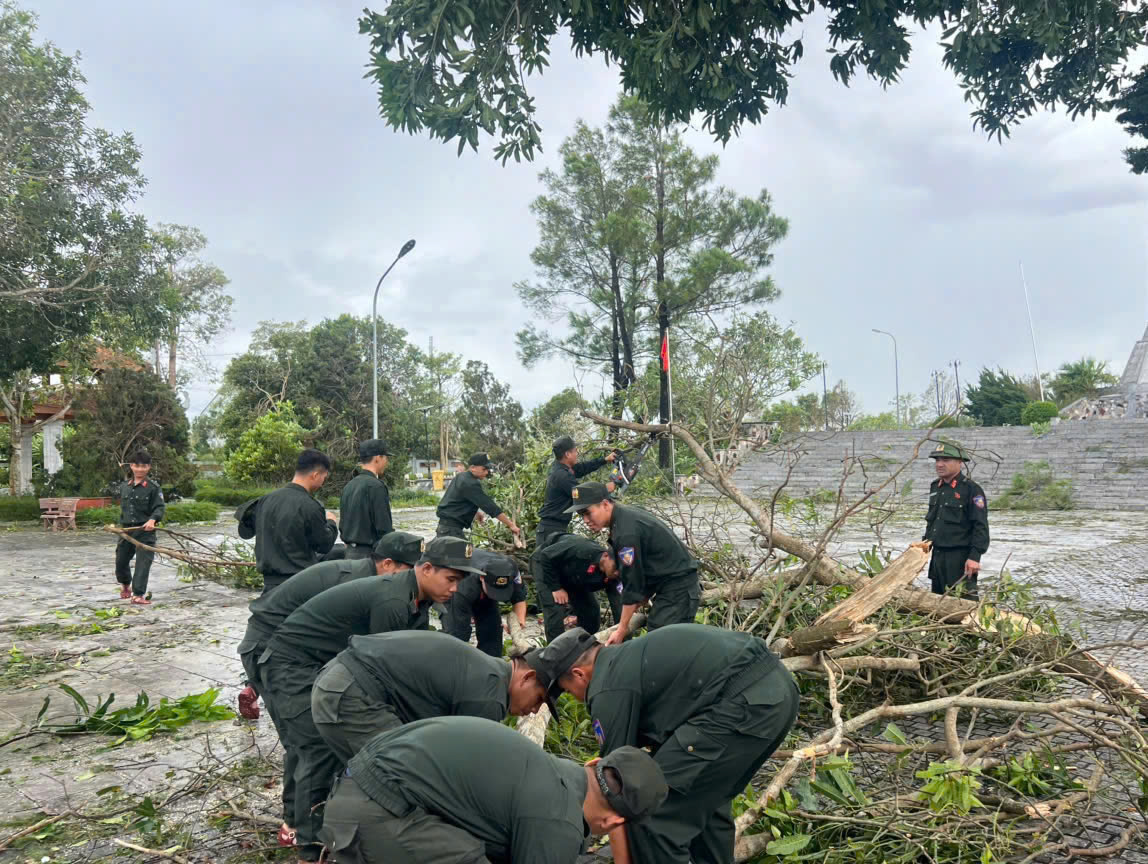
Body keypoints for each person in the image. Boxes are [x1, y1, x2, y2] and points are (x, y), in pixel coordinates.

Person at [257, 536, 482, 863]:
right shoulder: (392, 600)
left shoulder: (416, 599)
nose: (455, 589)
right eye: (451, 579)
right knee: (317, 749)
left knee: (337, 746)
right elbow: (383, 674)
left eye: (460, 582)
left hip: (326, 663)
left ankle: (316, 826)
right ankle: (308, 849)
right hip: (291, 665)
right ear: (427, 568)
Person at [537, 625, 799, 864]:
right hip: (778, 694)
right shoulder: (627, 659)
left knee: (655, 814)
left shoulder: (606, 689)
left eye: (569, 691)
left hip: (741, 706)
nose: (577, 698)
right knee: (707, 803)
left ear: (578, 674)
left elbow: (618, 793)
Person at [236, 531, 422, 843]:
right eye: (410, 571)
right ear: (388, 564)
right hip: (272, 648)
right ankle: (302, 832)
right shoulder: (354, 583)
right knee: (310, 741)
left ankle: (296, 821)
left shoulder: (372, 583)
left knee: (305, 739)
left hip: (298, 654)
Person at [319, 715, 668, 864]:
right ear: (612, 824)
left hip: (350, 789)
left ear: (592, 763)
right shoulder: (557, 822)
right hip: (372, 815)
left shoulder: (551, 771)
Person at [312, 630, 549, 763]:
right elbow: (466, 767)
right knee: (402, 774)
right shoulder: (489, 698)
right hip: (352, 694)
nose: (535, 710)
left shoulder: (489, 672)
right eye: (538, 699)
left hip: (338, 679)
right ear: (527, 677)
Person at [566, 481, 700, 645]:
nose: (586, 520)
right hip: (669, 588)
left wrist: (622, 628)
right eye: (581, 515)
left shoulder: (625, 532)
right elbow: (646, 567)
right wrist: (641, 599)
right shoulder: (624, 517)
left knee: (660, 644)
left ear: (605, 504)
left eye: (588, 513)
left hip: (678, 590)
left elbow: (633, 583)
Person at [250, 449, 340, 594]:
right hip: (298, 583)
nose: (322, 483)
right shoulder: (310, 505)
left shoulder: (266, 500)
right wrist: (331, 522)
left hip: (269, 584)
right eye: (324, 477)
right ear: (315, 475)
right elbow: (323, 545)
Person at [924, 440, 990, 600]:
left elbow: (980, 526)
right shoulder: (935, 487)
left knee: (963, 604)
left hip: (959, 559)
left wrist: (975, 557)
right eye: (937, 460)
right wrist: (922, 548)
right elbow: (932, 522)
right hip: (937, 556)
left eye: (945, 460)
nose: (940, 464)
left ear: (960, 462)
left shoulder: (971, 489)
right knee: (937, 602)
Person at [535, 534, 623, 641]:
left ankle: (583, 645)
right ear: (605, 556)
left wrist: (622, 635)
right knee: (556, 610)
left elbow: (618, 606)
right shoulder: (582, 548)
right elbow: (546, 556)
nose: (617, 572)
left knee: (591, 612)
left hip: (574, 578)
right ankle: (556, 654)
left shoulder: (614, 577)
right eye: (615, 567)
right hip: (547, 565)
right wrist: (556, 587)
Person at [441, 548, 527, 657]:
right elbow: (458, 634)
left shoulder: (512, 570)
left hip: (483, 591)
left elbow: (519, 599)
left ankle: (491, 668)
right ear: (482, 577)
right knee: (457, 637)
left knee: (493, 634)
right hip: (455, 591)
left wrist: (517, 625)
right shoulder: (464, 585)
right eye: (494, 591)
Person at [536, 435, 616, 551]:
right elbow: (582, 494)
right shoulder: (561, 475)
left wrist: (605, 460)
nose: (577, 453)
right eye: (575, 451)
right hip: (550, 530)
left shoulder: (563, 468)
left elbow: (583, 468)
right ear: (567, 454)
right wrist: (606, 488)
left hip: (556, 527)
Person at [114, 449, 165, 606]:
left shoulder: (153, 487)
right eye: (137, 466)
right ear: (132, 466)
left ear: (149, 467)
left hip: (145, 531)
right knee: (121, 561)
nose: (140, 469)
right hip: (127, 531)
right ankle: (125, 584)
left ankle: (138, 594)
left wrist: (152, 520)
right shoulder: (125, 486)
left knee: (143, 563)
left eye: (144, 466)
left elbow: (159, 508)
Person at [435, 452, 521, 540]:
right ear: (472, 468)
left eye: (488, 469)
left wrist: (476, 513)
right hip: (451, 531)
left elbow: (459, 501)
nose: (487, 472)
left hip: (445, 528)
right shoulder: (470, 483)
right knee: (465, 553)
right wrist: (511, 525)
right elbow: (489, 506)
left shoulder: (461, 477)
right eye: (484, 469)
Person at [339, 439, 393, 560]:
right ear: (377, 458)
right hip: (369, 556)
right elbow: (384, 528)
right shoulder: (376, 486)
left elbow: (342, 525)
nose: (387, 462)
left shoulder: (349, 485)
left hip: (349, 554)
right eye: (386, 458)